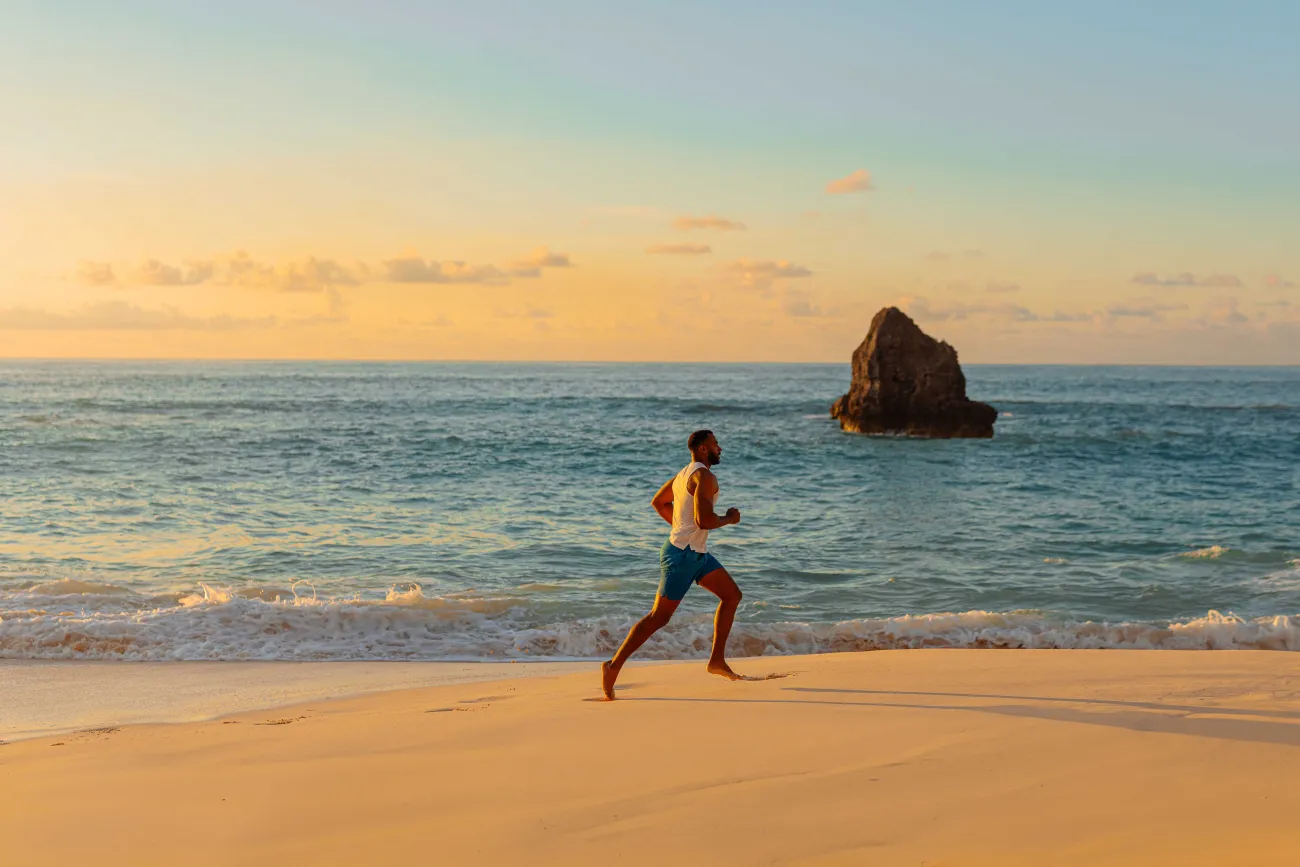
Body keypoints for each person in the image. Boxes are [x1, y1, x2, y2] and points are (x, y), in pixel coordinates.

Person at [601, 429, 744, 700]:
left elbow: (659, 502)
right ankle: (612, 666)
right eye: (715, 444)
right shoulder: (703, 476)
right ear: (703, 449)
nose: (720, 448)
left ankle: (716, 661)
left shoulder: (683, 475)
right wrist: (729, 519)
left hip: (696, 553)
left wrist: (682, 530)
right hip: (681, 556)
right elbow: (705, 521)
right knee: (659, 617)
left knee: (732, 595)